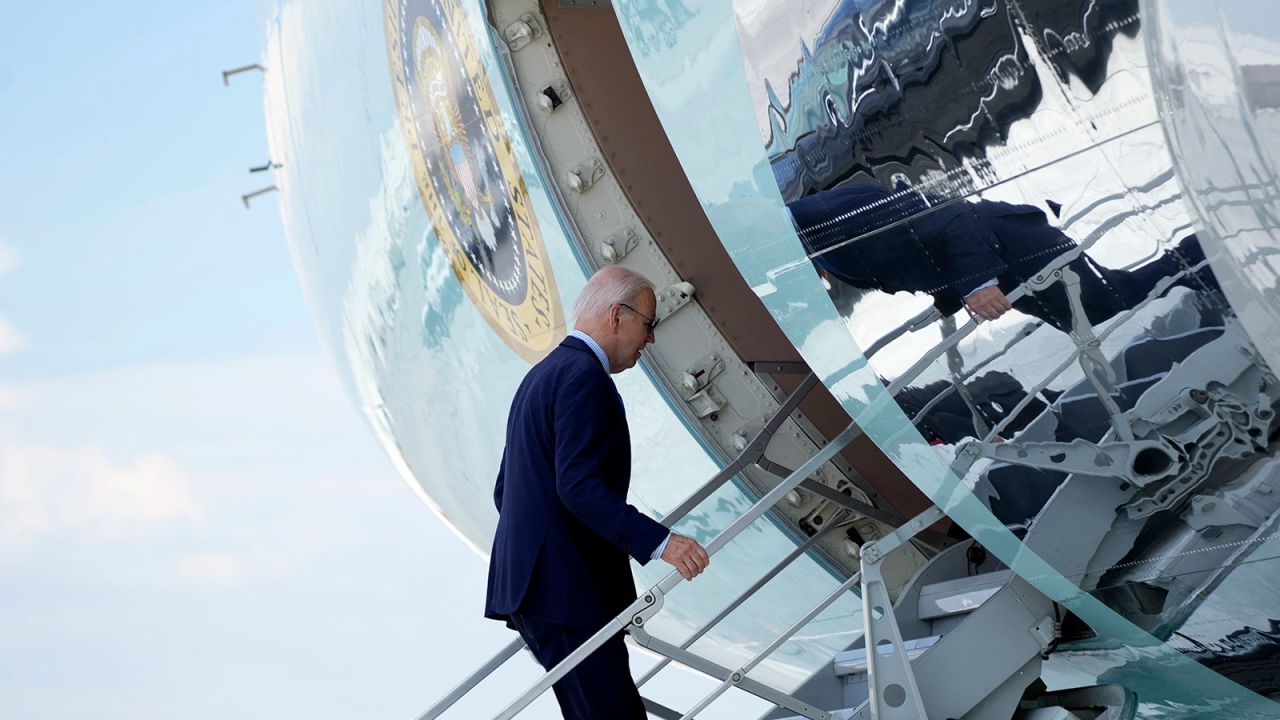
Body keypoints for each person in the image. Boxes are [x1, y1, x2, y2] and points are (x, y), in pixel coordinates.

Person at [485, 266, 711, 720]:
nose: (649, 340)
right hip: (569, 591)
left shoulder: (541, 376)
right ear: (616, 316)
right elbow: (579, 488)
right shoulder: (586, 378)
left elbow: (505, 491)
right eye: (648, 324)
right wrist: (663, 543)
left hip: (536, 592)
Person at [788, 183, 1219, 331]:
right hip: (1003, 265)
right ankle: (1213, 262)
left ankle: (1217, 250)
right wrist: (947, 299)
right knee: (1085, 320)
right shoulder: (809, 234)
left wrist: (977, 284)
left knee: (1107, 303)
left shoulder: (824, 218)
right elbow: (911, 253)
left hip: (1013, 250)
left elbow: (951, 217)